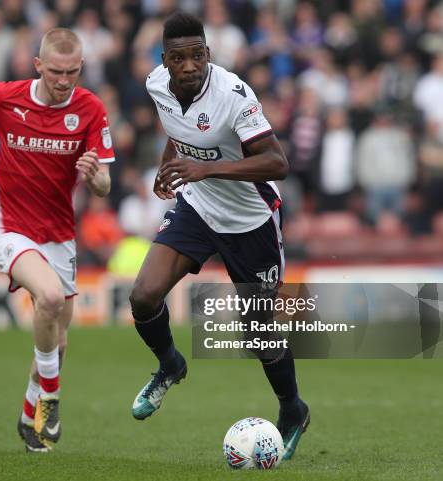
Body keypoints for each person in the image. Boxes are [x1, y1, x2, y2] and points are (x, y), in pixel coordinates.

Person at [129, 13, 309, 461]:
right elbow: (179, 130)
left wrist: (204, 168)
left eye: (197, 55)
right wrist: (168, 166)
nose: (189, 65)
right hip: (198, 206)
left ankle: (293, 409)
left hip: (250, 221)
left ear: (207, 54)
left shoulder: (234, 95)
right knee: (143, 296)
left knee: (258, 332)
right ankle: (170, 364)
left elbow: (277, 163)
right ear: (164, 61)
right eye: (178, 58)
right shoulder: (156, 85)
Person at [0, 28, 114, 453]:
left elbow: (104, 183)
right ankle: (51, 397)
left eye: (71, 72)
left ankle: (30, 417)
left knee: (59, 341)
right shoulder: (8, 96)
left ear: (81, 67)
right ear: (38, 66)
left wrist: (94, 176)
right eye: (55, 71)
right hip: (7, 226)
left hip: (59, 233)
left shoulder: (91, 109)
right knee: (47, 297)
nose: (63, 80)